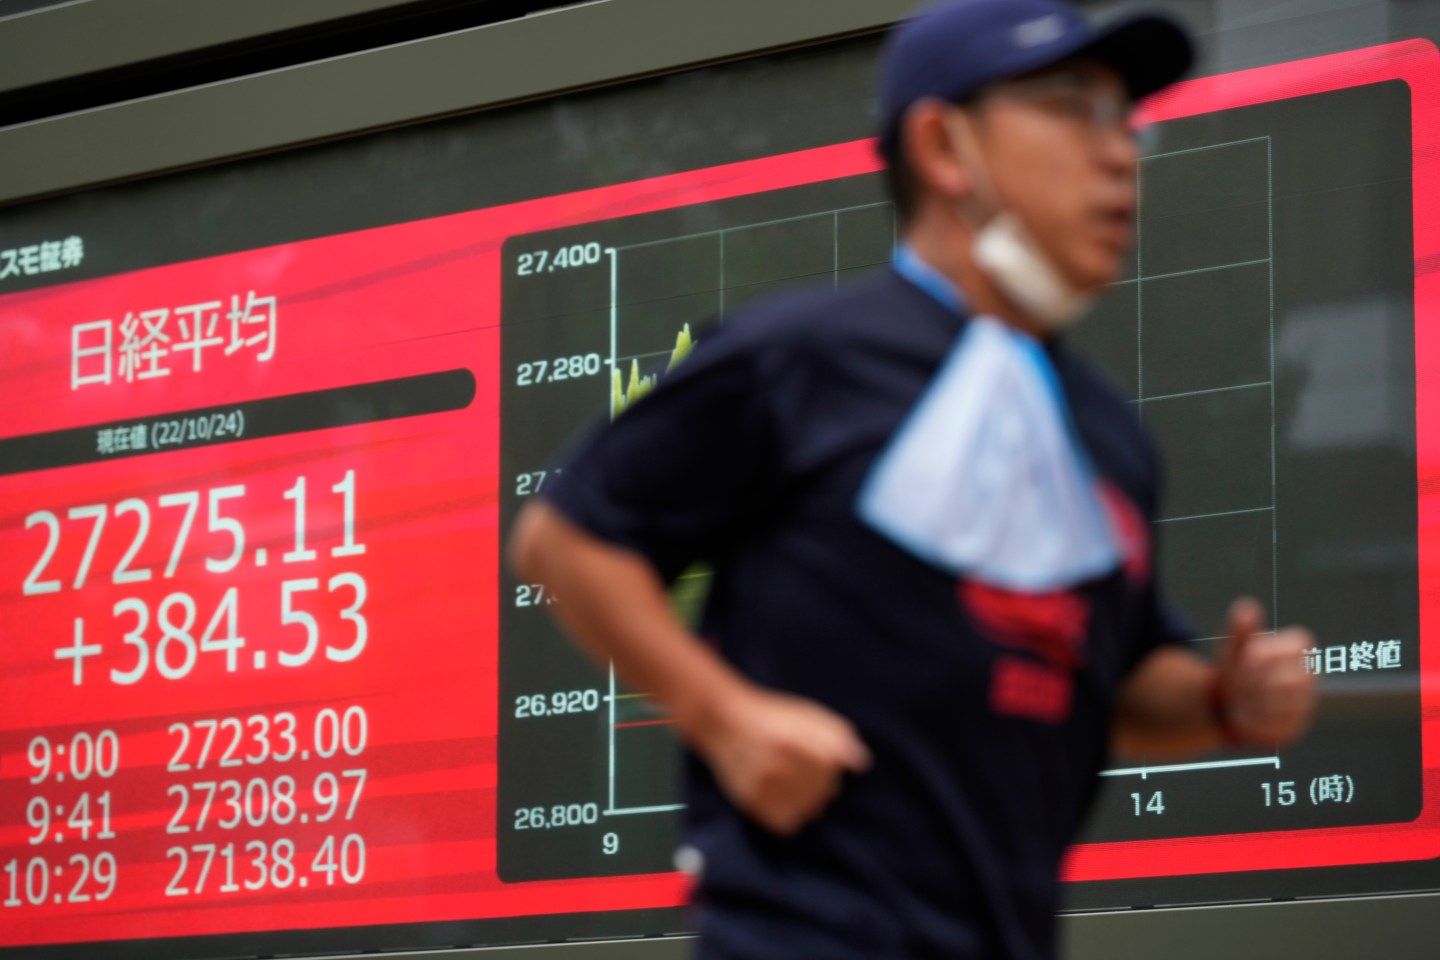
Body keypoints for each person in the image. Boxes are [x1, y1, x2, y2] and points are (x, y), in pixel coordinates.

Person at [507, 1, 1318, 957]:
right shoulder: (804, 356)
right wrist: (727, 718)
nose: (1122, 153)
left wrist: (1224, 700)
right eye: (1073, 108)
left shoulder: (1110, 439)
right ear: (943, 145)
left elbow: (1125, 682)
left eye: (1127, 118)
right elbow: (566, 538)